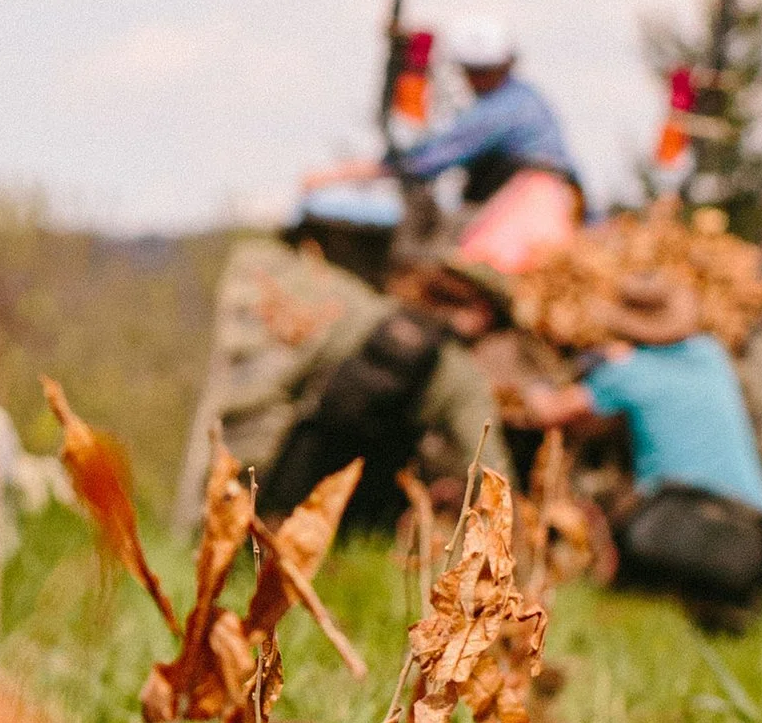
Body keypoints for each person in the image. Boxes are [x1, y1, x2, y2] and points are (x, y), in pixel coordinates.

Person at [174, 225, 513, 537]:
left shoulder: (367, 314)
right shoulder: (462, 376)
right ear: (483, 314)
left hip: (287, 472)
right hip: (353, 513)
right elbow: (492, 470)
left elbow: (281, 386)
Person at [515, 268, 762, 617]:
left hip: (672, 525)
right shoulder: (712, 354)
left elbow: (548, 412)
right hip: (753, 535)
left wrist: (534, 385)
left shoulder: (629, 372)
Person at [303, 11, 583, 273]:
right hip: (534, 204)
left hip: (527, 209)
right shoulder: (523, 98)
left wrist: (341, 174)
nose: (476, 79)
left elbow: (426, 160)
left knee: (448, 265)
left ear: (506, 64)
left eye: (483, 70)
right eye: (472, 70)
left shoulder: (501, 111)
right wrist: (411, 52)